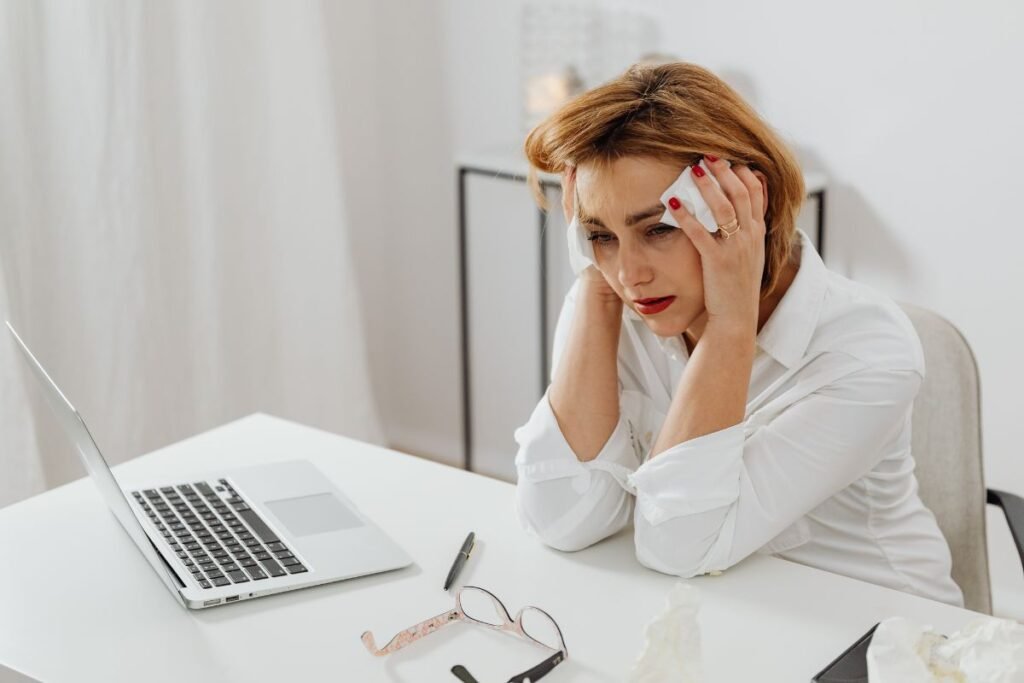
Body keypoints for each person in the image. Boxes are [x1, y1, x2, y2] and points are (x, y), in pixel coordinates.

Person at [513, 61, 963, 607]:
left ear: (747, 202)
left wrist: (730, 323)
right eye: (600, 235)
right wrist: (593, 289)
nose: (629, 273)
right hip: (724, 617)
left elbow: (677, 547)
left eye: (658, 229)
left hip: (877, 631)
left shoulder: (867, 353)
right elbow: (561, 520)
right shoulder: (613, 300)